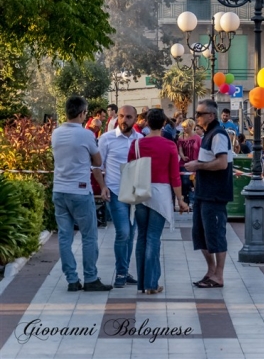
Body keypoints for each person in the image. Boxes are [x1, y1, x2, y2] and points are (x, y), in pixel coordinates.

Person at [52, 96, 113, 292]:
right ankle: (90, 278)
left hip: (59, 190)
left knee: (64, 237)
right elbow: (97, 160)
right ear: (81, 113)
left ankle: (72, 279)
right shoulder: (86, 135)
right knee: (89, 236)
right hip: (79, 191)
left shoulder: (56, 133)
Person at [128, 109, 188, 294]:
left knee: (142, 237)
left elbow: (129, 169)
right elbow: (174, 176)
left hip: (140, 192)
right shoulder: (169, 145)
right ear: (164, 124)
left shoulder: (136, 144)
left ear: (146, 122)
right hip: (160, 193)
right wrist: (180, 199)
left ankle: (142, 283)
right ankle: (151, 284)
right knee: (154, 237)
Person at [184, 99, 234, 289]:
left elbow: (222, 163)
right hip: (204, 193)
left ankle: (218, 275)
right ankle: (211, 271)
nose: (196, 117)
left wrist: (198, 166)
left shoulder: (218, 134)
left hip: (215, 193)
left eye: (199, 114)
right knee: (200, 234)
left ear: (211, 116)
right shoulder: (207, 134)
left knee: (215, 234)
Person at [98, 105, 143, 288]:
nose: (124, 120)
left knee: (131, 233)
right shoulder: (106, 139)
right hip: (115, 191)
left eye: (129, 117)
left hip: (134, 193)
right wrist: (103, 187)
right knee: (123, 232)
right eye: (122, 116)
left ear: (135, 118)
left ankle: (124, 271)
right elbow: (97, 167)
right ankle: (121, 272)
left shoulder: (140, 140)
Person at [178, 119, 201, 206]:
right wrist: (183, 156)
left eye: (185, 127)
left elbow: (200, 150)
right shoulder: (181, 137)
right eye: (183, 127)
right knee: (185, 182)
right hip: (184, 164)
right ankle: (186, 200)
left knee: (194, 183)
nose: (183, 128)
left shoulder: (197, 138)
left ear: (191, 127)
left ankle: (193, 201)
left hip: (195, 163)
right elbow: (180, 149)